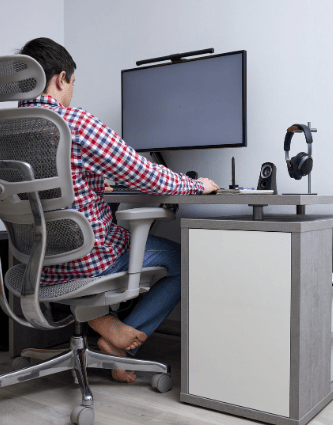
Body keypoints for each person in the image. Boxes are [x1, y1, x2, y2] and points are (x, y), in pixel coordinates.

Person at [18, 37, 219, 383]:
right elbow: (146, 175)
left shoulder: (5, 132)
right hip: (87, 261)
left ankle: (105, 325)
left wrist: (94, 185)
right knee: (188, 258)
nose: (71, 94)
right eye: (72, 85)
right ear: (60, 78)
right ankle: (122, 343)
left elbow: (46, 192)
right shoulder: (74, 123)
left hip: (37, 265)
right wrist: (197, 185)